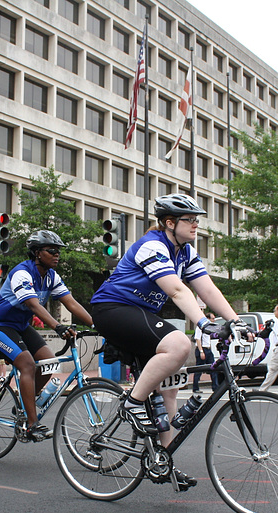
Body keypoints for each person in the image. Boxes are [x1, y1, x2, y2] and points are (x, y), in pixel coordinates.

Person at [91, 194, 254, 489]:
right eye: (189, 220)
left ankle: (163, 461)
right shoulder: (152, 247)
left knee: (170, 388)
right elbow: (178, 291)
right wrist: (204, 323)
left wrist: (235, 320)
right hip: (112, 309)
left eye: (196, 220)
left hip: (139, 313)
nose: (195, 225)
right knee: (179, 345)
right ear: (169, 223)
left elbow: (206, 288)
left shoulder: (186, 252)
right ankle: (133, 402)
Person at [0, 230, 93, 441]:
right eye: (52, 250)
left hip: (20, 326)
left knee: (50, 361)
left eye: (58, 251)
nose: (57, 255)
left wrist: (98, 325)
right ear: (37, 253)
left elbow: (71, 303)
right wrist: (57, 326)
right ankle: (31, 424)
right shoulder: (22, 273)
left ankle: (24, 404)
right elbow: (32, 304)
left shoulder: (51, 277)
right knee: (28, 365)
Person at [192, 311, 219, 393]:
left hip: (208, 349)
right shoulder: (200, 327)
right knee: (199, 370)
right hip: (202, 349)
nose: (214, 320)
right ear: (208, 319)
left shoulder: (209, 328)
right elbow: (198, 339)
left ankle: (215, 387)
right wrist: (201, 351)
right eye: (212, 318)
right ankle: (195, 388)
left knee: (213, 368)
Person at [259, 304, 278, 391]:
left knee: (272, 370)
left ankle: (262, 390)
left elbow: (263, 334)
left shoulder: (275, 323)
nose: (274, 313)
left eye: (275, 311)